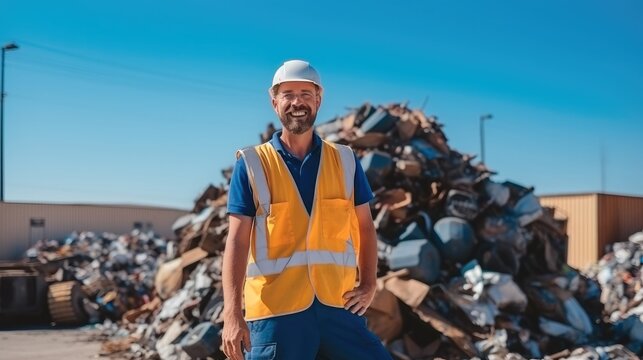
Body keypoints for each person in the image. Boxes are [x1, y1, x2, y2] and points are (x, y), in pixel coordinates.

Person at [221, 59, 392, 360]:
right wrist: (232, 314)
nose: (297, 102)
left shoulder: (346, 161)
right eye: (288, 94)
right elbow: (236, 241)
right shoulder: (251, 165)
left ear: (318, 100)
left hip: (338, 309)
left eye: (305, 93)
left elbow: (365, 226)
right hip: (276, 314)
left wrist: (368, 284)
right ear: (274, 102)